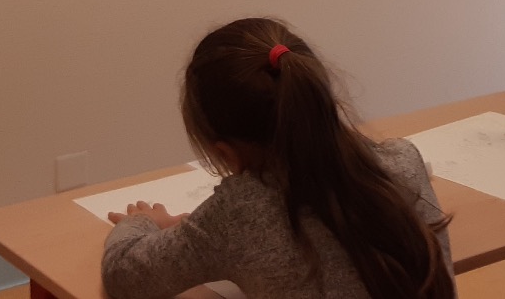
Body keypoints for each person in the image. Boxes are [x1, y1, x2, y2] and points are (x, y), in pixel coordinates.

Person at [101, 17, 454, 299]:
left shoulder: (237, 214)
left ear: (224, 152)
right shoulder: (403, 161)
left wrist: (141, 222)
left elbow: (123, 276)